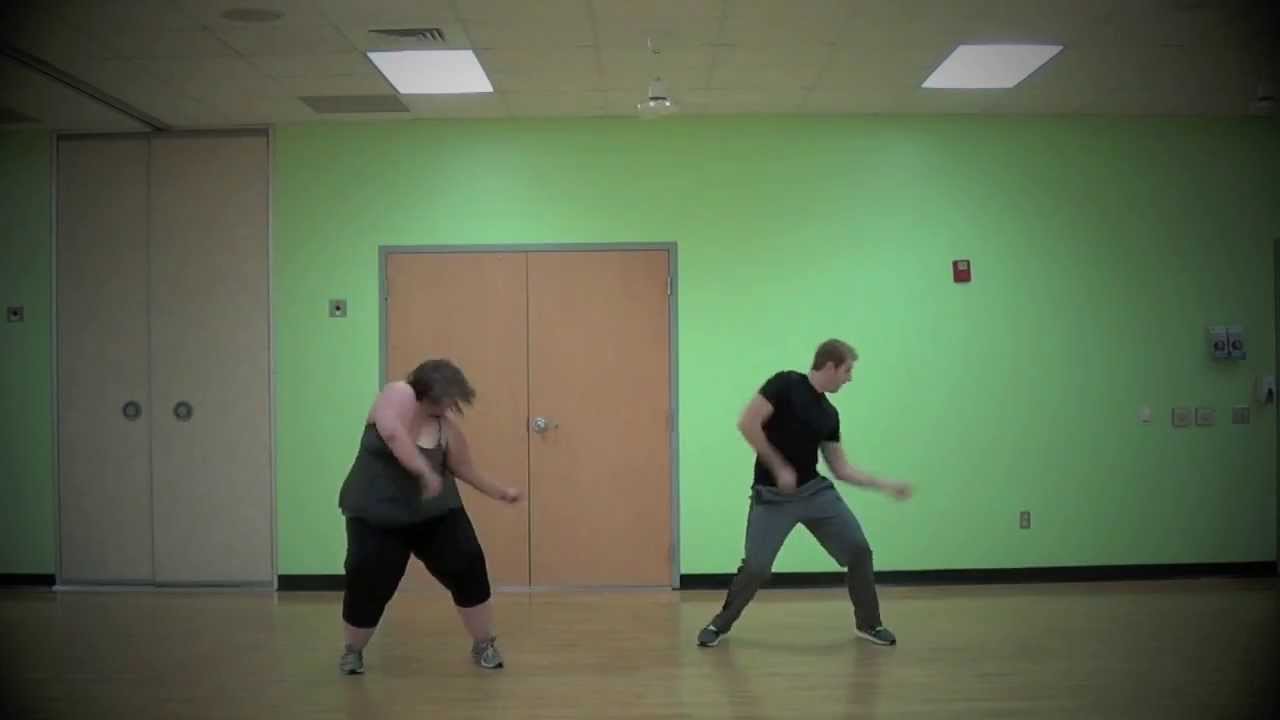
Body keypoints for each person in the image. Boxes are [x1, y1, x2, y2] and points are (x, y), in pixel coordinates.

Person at [696, 339, 913, 649]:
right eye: (847, 370)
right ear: (830, 366)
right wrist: (779, 467)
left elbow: (841, 468)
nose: (850, 378)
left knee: (859, 551)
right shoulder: (785, 384)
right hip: (772, 496)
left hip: (814, 492)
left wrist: (884, 485)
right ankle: (719, 623)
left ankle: (869, 623)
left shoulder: (829, 414)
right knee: (756, 568)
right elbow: (748, 423)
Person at [336, 358, 523, 675]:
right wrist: (424, 472)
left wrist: (500, 492)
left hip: (435, 514)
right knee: (368, 578)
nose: (452, 406)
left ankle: (484, 644)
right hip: (376, 513)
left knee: (468, 566)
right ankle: (353, 651)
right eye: (448, 398)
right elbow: (393, 434)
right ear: (428, 390)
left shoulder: (445, 427)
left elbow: (464, 468)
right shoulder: (398, 393)